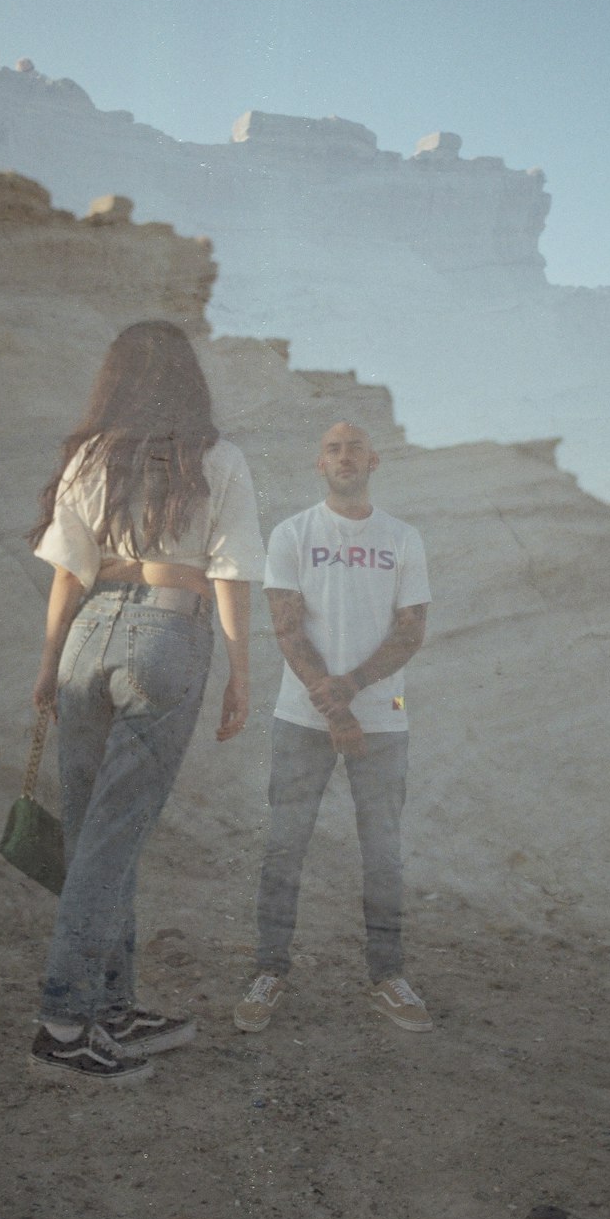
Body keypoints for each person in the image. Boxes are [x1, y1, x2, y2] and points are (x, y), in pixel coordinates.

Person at [27, 321, 265, 1084]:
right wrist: (239, 670)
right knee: (113, 840)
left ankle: (111, 1006)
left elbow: (69, 570)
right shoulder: (217, 459)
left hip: (88, 633)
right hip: (168, 634)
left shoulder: (91, 454)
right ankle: (64, 1027)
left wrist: (46, 664)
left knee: (93, 833)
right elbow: (229, 572)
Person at [234, 421, 433, 1035]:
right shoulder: (293, 533)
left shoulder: (403, 538)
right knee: (285, 845)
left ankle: (388, 976)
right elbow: (287, 630)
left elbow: (410, 630)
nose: (344, 457)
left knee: (384, 852)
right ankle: (269, 971)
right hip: (302, 718)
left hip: (383, 720)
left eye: (354, 448)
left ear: (375, 459)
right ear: (318, 464)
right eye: (332, 448)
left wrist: (349, 695)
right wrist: (336, 709)